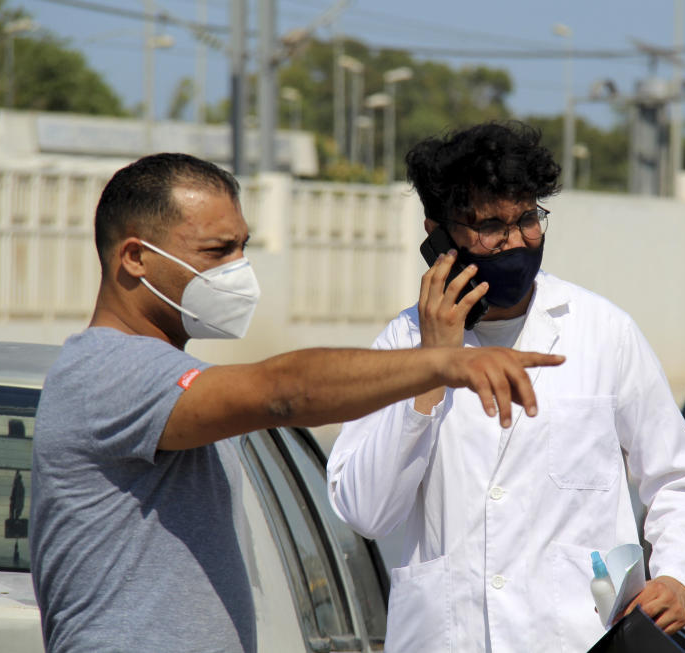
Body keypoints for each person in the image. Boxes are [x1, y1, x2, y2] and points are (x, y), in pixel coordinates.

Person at [29, 152, 563, 653]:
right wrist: (444, 363)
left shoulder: (160, 377)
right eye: (217, 252)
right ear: (136, 258)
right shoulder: (109, 372)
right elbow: (282, 393)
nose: (238, 269)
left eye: (242, 247)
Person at [326, 122, 685, 652]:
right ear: (438, 234)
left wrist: (675, 576)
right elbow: (365, 511)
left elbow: (676, 478)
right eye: (490, 225)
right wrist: (433, 367)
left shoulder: (602, 332)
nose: (514, 240)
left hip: (582, 640)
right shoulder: (401, 344)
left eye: (528, 219)